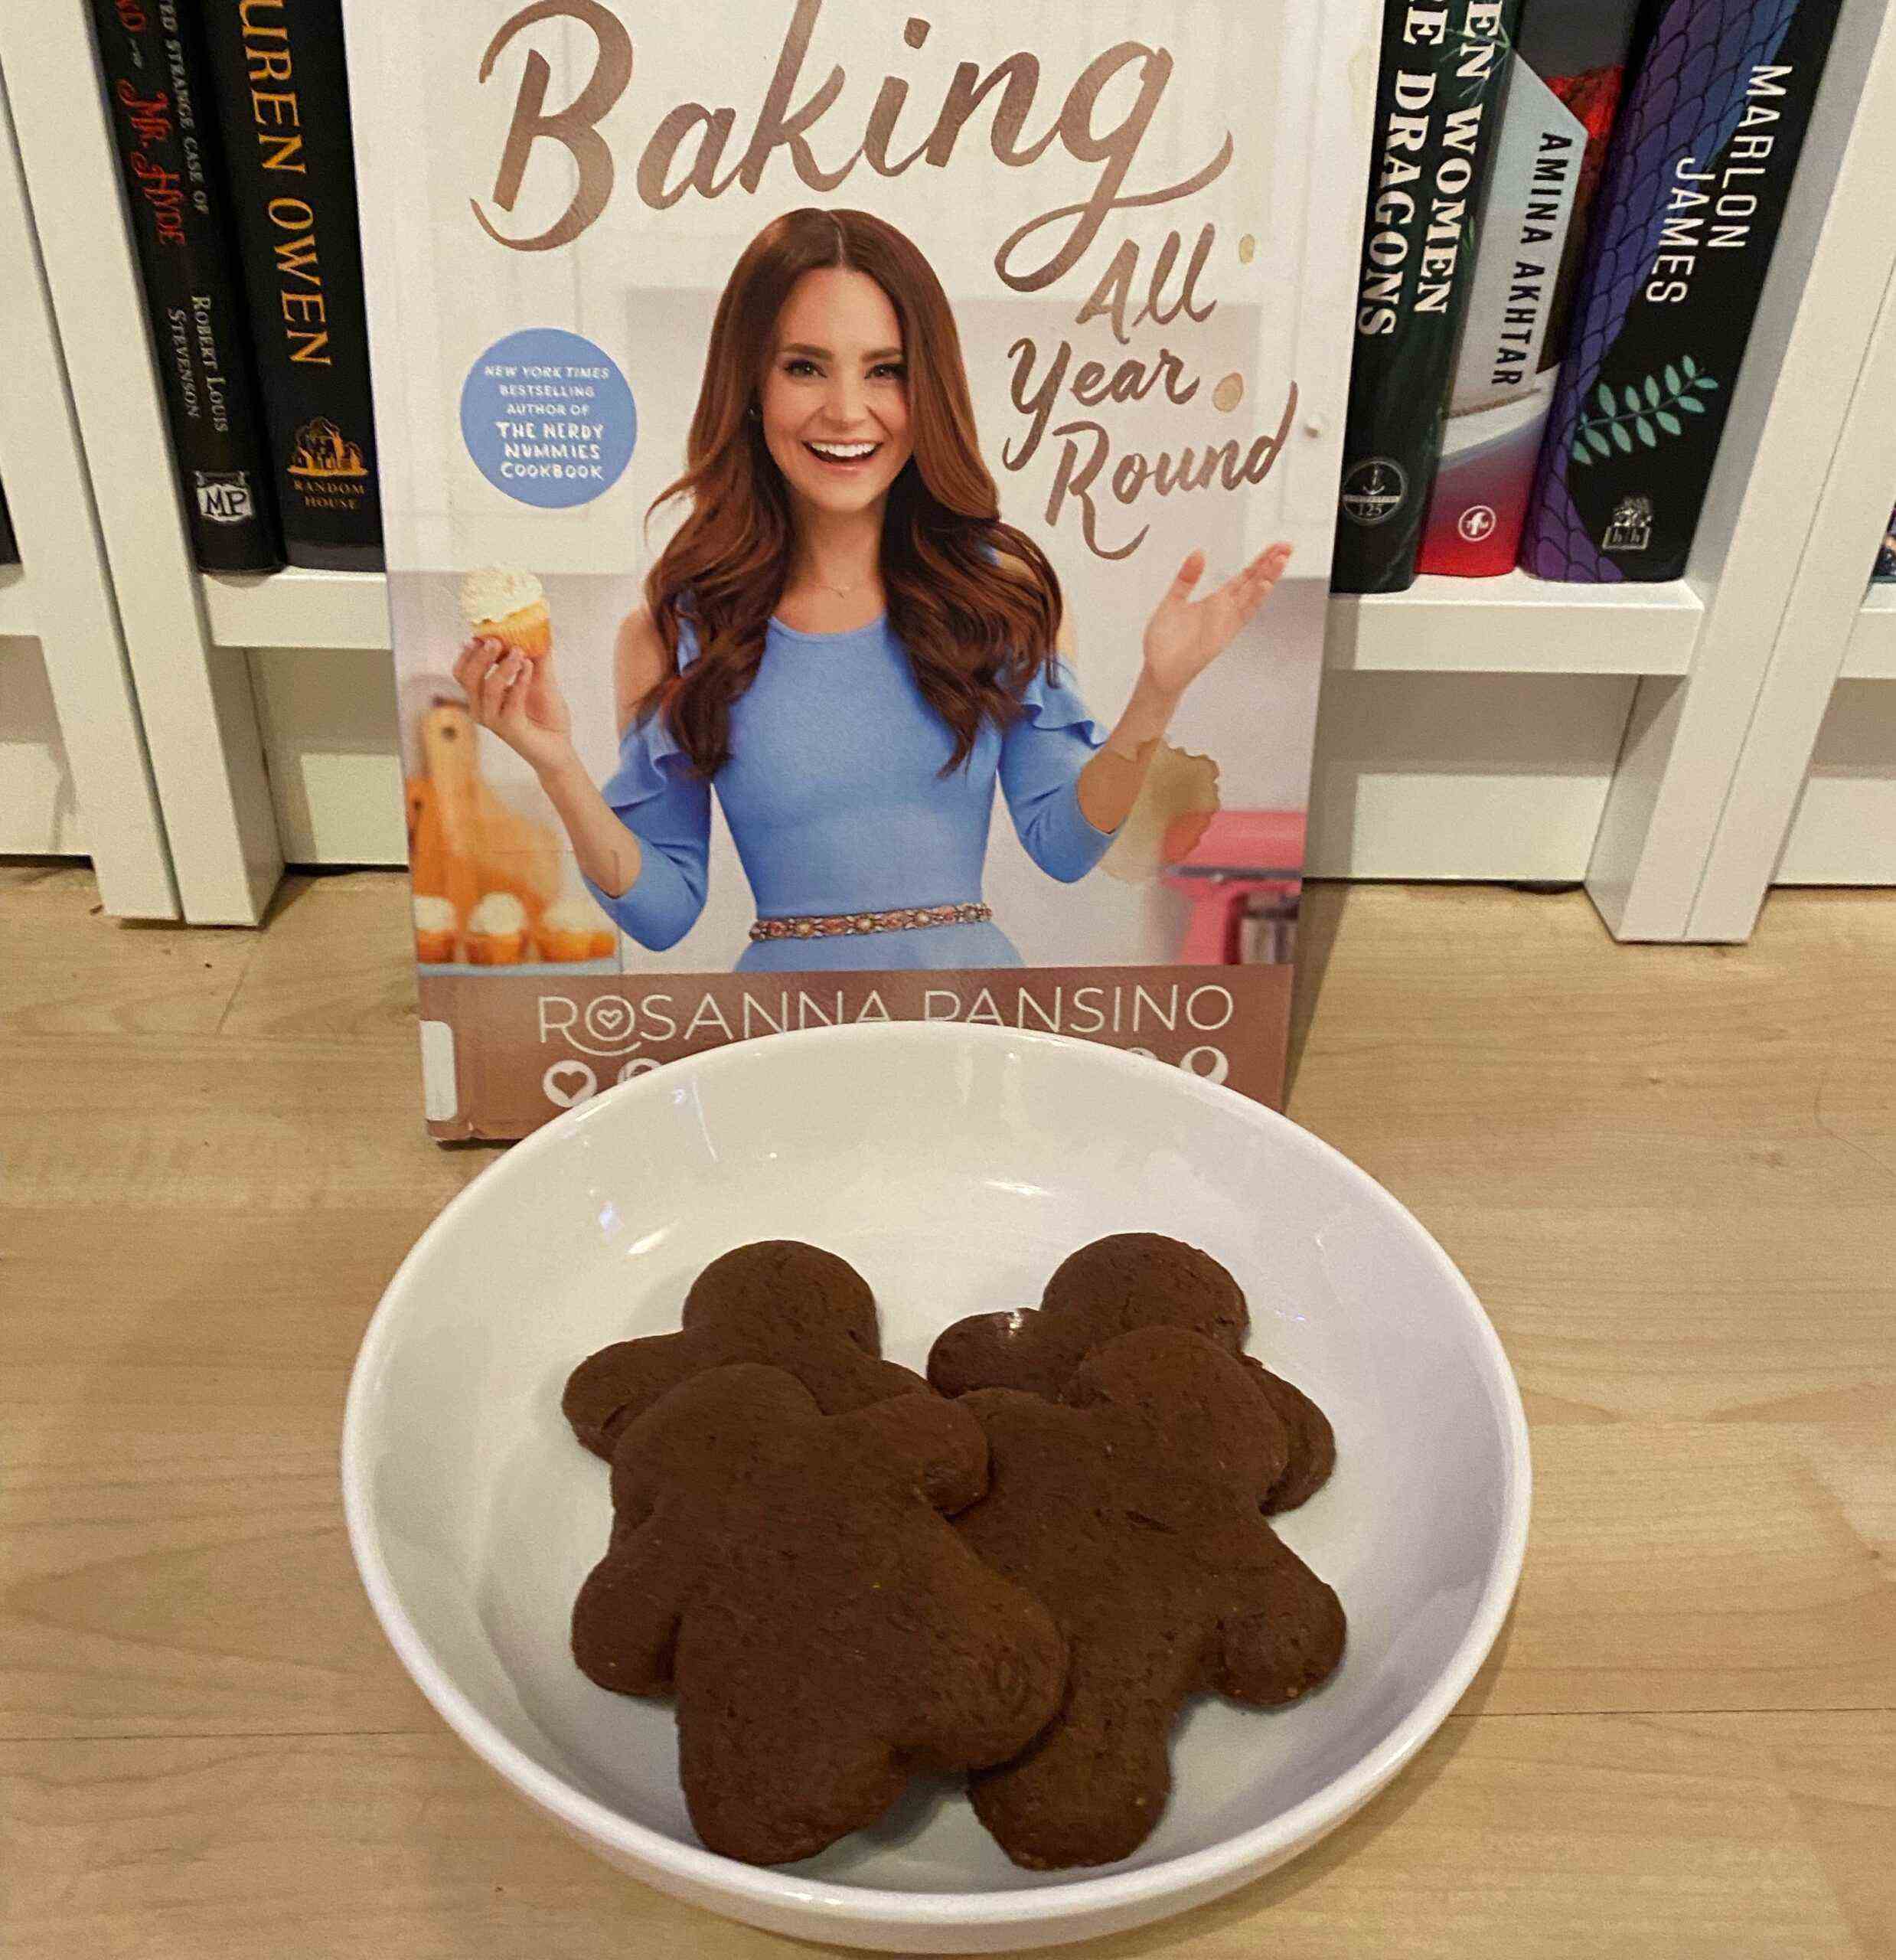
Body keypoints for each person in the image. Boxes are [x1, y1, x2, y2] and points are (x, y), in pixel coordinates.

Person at [456, 207, 1293, 972]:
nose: (848, 410)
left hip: (970, 1032)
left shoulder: (1000, 600)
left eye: (885, 370)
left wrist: (1156, 694)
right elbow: (662, 912)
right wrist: (557, 765)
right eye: (805, 367)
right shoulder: (677, 631)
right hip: (787, 1052)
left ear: (926, 387)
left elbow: (1064, 846)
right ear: (749, 387)